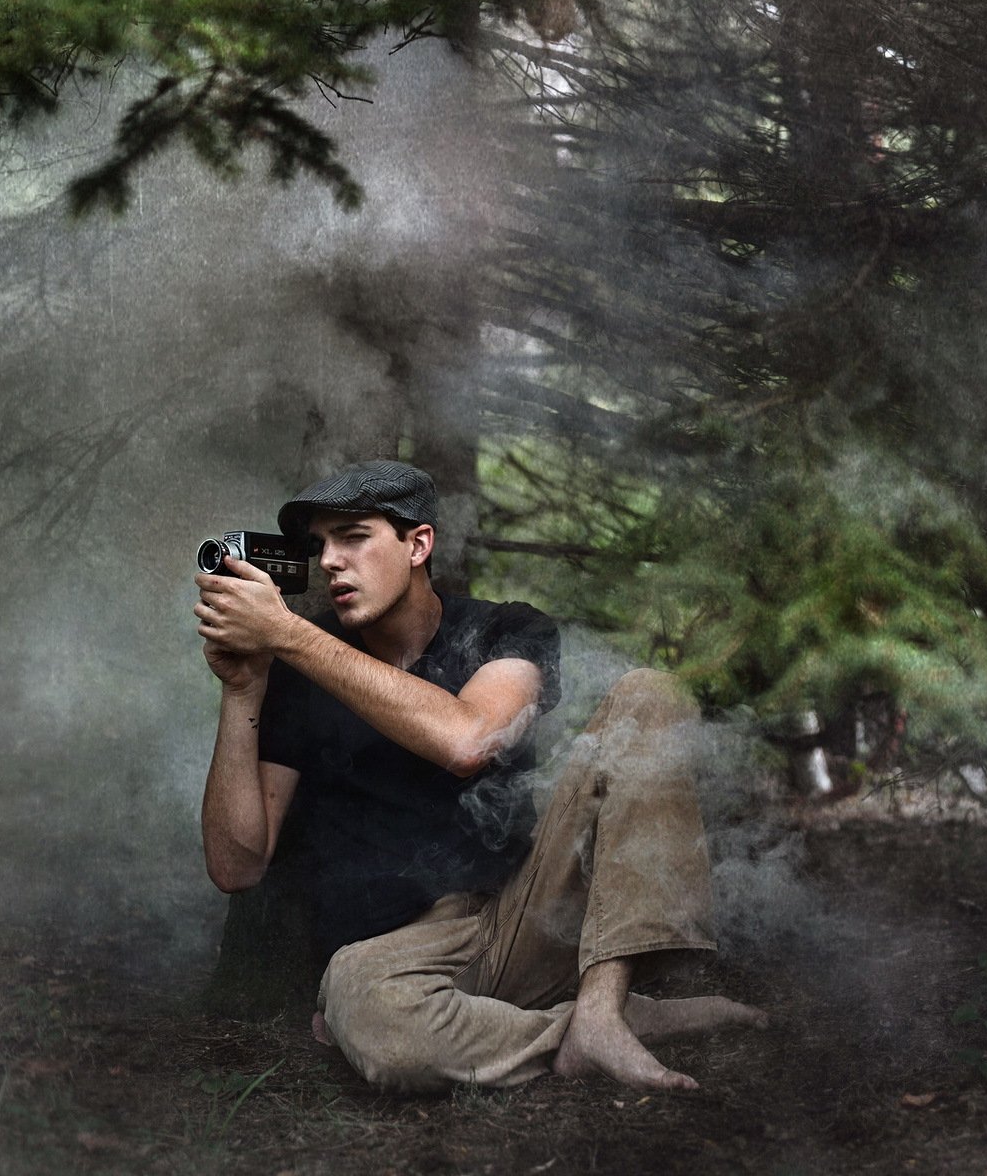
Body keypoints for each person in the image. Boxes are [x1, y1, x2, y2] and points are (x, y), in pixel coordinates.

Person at [194, 461, 764, 1092]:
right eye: (320, 545)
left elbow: (472, 740)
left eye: (353, 537)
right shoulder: (300, 669)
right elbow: (236, 865)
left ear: (418, 544)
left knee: (649, 694)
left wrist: (289, 634)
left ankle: (603, 1008)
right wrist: (244, 687)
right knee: (368, 1009)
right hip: (396, 960)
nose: (329, 561)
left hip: (524, 916)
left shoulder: (504, 628)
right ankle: (588, 1032)